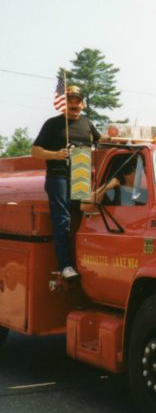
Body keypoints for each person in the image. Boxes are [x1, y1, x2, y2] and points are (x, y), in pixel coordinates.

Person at [32, 86, 101, 281]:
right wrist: (55, 154)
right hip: (58, 175)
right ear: (65, 102)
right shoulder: (53, 124)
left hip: (81, 174)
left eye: (77, 101)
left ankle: (82, 263)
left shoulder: (87, 123)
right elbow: (35, 150)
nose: (74, 104)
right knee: (63, 220)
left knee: (82, 218)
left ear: (82, 104)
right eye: (70, 100)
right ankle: (66, 266)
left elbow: (102, 141)